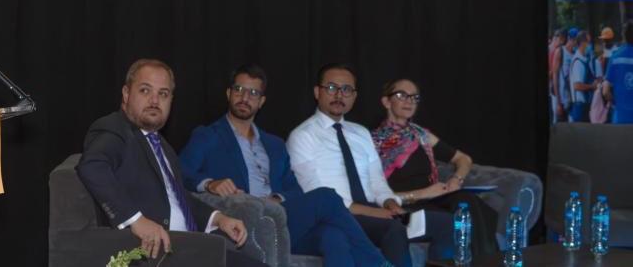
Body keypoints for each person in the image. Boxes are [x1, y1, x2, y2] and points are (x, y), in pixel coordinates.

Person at [179, 64, 387, 266]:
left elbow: (295, 189)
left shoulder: (274, 145)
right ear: (228, 93)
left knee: (334, 236)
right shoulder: (207, 136)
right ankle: (378, 264)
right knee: (327, 197)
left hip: (281, 219)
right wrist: (209, 183)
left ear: (261, 101)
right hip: (245, 218)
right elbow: (179, 172)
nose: (245, 98)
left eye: (253, 93)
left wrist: (278, 198)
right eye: (239, 90)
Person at [76, 59, 266, 267]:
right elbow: (92, 166)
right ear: (126, 93)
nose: (154, 100)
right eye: (145, 91)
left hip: (191, 248)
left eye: (163, 94)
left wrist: (218, 218)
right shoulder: (115, 129)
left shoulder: (161, 145)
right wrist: (135, 220)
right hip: (158, 253)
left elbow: (179, 197)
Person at [287, 63, 454, 267]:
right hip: (341, 215)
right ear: (317, 92)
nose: (339, 95)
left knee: (448, 224)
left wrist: (390, 204)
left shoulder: (360, 133)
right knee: (393, 228)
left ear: (354, 96)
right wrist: (378, 214)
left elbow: (377, 182)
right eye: (331, 88)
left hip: (376, 210)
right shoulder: (302, 136)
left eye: (346, 89)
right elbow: (316, 194)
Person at [371, 78, 499, 258]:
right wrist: (424, 193)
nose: (409, 101)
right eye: (401, 95)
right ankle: (489, 260)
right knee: (463, 217)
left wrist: (456, 179)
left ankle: (486, 260)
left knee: (467, 201)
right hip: (404, 207)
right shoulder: (371, 142)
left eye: (414, 97)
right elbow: (374, 195)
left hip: (434, 201)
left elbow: (464, 159)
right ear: (386, 101)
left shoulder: (421, 135)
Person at [604, 21, 633, 123]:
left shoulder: (615, 57)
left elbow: (605, 91)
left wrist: (614, 102)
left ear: (623, 36)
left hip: (620, 118)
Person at [569, 31, 598, 122]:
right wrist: (592, 86)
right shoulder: (578, 62)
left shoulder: (584, 59)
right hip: (579, 107)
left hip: (585, 106)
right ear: (582, 43)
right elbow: (577, 86)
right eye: (588, 42)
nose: (590, 45)